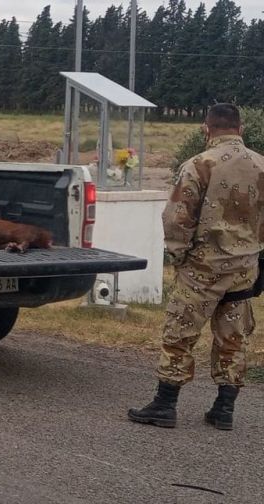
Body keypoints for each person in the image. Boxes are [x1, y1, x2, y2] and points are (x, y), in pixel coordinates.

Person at [128, 103, 264, 430]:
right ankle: (224, 409)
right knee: (233, 337)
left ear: (207, 129)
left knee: (180, 332)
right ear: (240, 130)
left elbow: (177, 217)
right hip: (244, 269)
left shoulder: (199, 164)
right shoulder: (261, 164)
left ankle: (165, 404)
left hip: (203, 268)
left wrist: (178, 255)